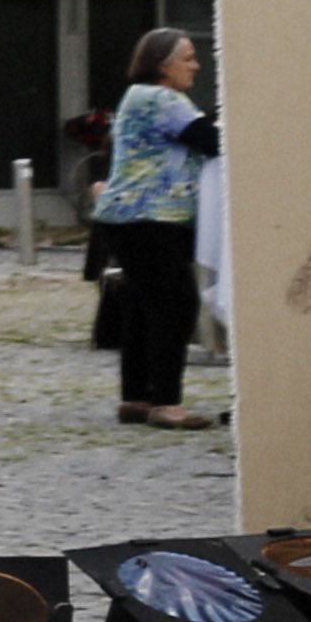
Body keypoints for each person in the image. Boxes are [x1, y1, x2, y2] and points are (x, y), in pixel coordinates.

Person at [88, 25, 223, 429]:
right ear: (163, 65)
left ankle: (137, 396)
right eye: (188, 58)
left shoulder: (137, 96)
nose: (196, 66)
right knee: (175, 305)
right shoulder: (162, 99)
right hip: (152, 217)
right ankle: (167, 402)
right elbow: (212, 140)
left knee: (142, 306)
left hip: (128, 217)